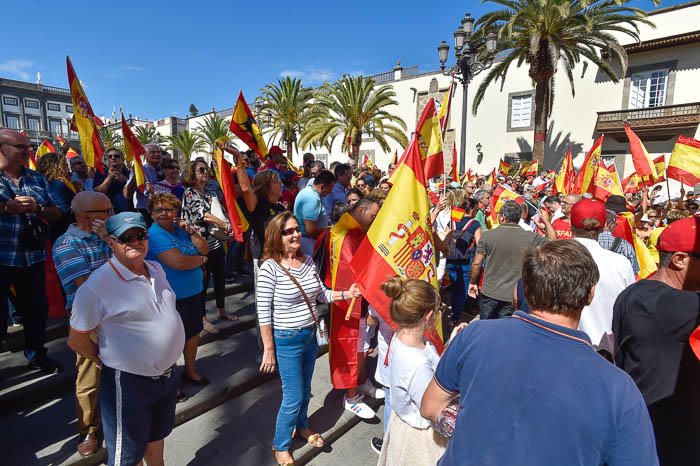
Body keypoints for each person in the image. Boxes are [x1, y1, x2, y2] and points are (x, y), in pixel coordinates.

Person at [421, 240, 658, 466]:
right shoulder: (619, 389)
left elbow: (431, 407)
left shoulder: (475, 335)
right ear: (590, 294)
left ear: (526, 288)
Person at [68, 211, 185, 466]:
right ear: (111, 242)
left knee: (156, 442)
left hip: (165, 376)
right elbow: (76, 340)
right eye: (126, 237)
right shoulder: (96, 286)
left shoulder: (156, 268)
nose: (135, 241)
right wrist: (100, 359)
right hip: (129, 383)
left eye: (140, 235)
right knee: (126, 458)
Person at [256, 212, 360, 466]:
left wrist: (346, 293)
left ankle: (302, 427)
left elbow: (320, 294)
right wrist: (268, 348)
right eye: (288, 231)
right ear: (276, 237)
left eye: (296, 229)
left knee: (306, 388)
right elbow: (263, 311)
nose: (295, 235)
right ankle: (280, 445)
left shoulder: (308, 260)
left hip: (309, 336)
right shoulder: (269, 267)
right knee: (292, 396)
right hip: (286, 339)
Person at [613, 216, 700, 466]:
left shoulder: (634, 292)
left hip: (643, 431)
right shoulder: (669, 305)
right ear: (679, 259)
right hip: (669, 439)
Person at [53, 191, 112, 457]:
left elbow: (134, 265)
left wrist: (109, 241)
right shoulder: (66, 244)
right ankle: (89, 429)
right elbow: (88, 285)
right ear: (86, 216)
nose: (111, 216)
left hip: (119, 314)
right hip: (89, 320)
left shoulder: (109, 236)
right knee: (90, 376)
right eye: (106, 211)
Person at [0, 129, 63, 373]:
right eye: (20, 147)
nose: (27, 151)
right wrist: (7, 207)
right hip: (3, 257)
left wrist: (37, 208)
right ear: (2, 148)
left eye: (27, 147)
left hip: (31, 256)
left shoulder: (36, 178)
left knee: (37, 310)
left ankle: (37, 354)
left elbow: (56, 212)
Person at [377, 277, 453, 466]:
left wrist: (451, 343)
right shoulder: (418, 364)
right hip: (421, 440)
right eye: (438, 309)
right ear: (428, 316)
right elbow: (434, 409)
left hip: (404, 425)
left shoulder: (401, 336)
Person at [322, 197, 382, 419]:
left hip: (360, 300)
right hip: (349, 301)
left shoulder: (354, 230)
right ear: (362, 209)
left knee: (363, 345)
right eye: (373, 216)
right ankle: (351, 395)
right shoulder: (345, 233)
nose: (375, 220)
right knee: (355, 344)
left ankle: (360, 382)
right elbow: (355, 272)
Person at [146, 193, 210, 387]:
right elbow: (178, 262)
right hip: (171, 296)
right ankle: (170, 382)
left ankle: (190, 371)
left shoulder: (181, 230)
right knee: (170, 340)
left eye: (169, 209)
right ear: (151, 213)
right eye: (159, 209)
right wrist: (201, 261)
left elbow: (205, 248)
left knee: (192, 334)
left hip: (194, 292)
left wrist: (191, 232)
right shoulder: (154, 234)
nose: (164, 213)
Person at [569, 199, 635, 356]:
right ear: (604, 227)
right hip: (607, 351)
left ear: (570, 226)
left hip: (564, 348)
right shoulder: (621, 263)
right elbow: (629, 309)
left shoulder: (553, 258)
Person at [468, 200, 554, 319]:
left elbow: (477, 263)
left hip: (490, 293)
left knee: (487, 328)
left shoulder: (488, 235)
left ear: (502, 217)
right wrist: (547, 222)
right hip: (514, 296)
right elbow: (553, 244)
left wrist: (472, 282)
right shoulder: (530, 237)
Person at [181, 159, 236, 334]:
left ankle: (221, 310)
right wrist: (226, 225)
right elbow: (204, 215)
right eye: (201, 170)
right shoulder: (189, 193)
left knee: (220, 278)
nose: (205, 172)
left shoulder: (209, 192)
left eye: (206, 169)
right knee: (203, 283)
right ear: (193, 174)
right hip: (199, 245)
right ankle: (202, 318)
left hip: (215, 243)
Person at [438, 198, 481, 324]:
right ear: (472, 209)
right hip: (466, 262)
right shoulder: (475, 224)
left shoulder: (452, 222)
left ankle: (451, 312)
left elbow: (445, 239)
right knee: (461, 290)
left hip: (450, 259)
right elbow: (480, 243)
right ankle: (456, 317)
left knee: (454, 286)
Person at [293, 169, 336, 256]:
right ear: (323, 186)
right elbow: (310, 229)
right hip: (308, 243)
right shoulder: (312, 198)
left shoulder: (309, 192)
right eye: (330, 189)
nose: (331, 192)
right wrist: (330, 230)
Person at [36, 152, 76, 240]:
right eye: (65, 165)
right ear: (58, 166)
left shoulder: (41, 182)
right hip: (65, 230)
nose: (68, 169)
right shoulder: (58, 184)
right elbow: (64, 210)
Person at [125, 143, 164, 218]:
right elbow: (127, 194)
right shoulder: (139, 170)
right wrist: (135, 177)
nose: (156, 154)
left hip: (163, 209)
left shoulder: (165, 169)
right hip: (145, 211)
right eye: (152, 152)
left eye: (158, 152)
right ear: (145, 155)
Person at [599, 209, 640, 274]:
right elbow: (634, 272)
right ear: (609, 224)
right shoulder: (624, 245)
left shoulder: (586, 242)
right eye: (615, 224)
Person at [93, 148, 131, 213]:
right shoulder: (100, 173)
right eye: (110, 156)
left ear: (122, 159)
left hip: (127, 211)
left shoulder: (130, 173)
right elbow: (99, 192)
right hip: (107, 210)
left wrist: (126, 181)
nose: (113, 158)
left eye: (116, 156)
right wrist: (109, 177)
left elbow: (137, 192)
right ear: (106, 161)